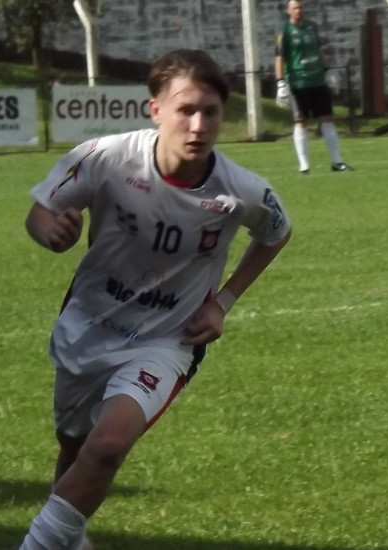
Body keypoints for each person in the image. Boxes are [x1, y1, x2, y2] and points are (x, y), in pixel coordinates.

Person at [17, 48, 292, 550]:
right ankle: (69, 536)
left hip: (168, 338)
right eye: (186, 109)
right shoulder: (106, 157)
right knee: (76, 448)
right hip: (91, 322)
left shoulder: (242, 190)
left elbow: (277, 232)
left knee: (109, 444)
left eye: (210, 112)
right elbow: (40, 210)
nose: (198, 124)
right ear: (156, 110)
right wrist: (49, 232)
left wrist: (223, 302)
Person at [275, 0, 350, 175]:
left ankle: (337, 161)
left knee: (328, 119)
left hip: (317, 80)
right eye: (295, 8)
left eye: (301, 7)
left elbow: (319, 50)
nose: (298, 10)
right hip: (298, 83)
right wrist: (280, 82)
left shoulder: (312, 27)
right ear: (288, 11)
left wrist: (328, 70)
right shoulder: (283, 31)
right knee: (301, 121)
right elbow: (279, 58)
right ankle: (304, 165)